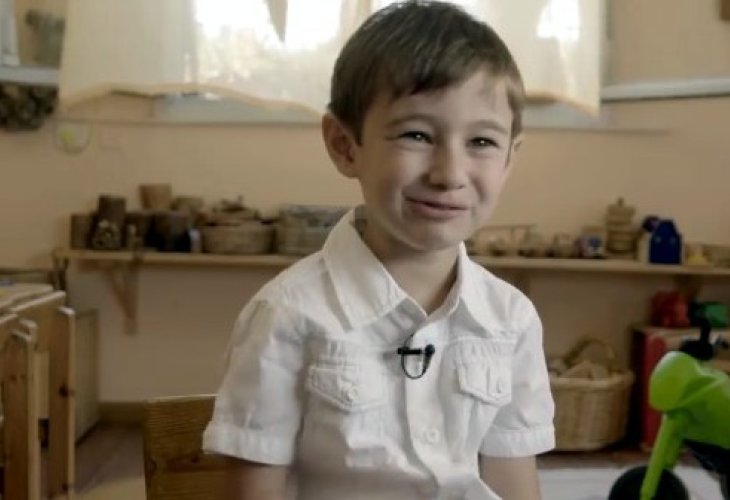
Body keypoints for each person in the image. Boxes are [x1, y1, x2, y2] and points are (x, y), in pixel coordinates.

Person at [202, 1, 555, 499]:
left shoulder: (512, 319)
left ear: (510, 159)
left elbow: (515, 484)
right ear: (345, 146)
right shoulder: (287, 316)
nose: (449, 174)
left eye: (481, 142)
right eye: (417, 135)